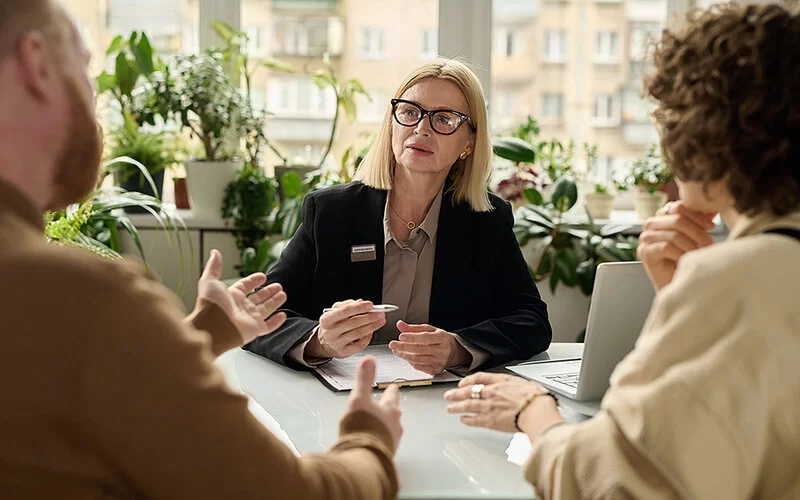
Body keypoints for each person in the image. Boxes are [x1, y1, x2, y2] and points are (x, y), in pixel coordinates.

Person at [0, 1, 403, 498]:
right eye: (85, 67)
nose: (96, 97)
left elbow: (59, 386)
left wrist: (199, 334)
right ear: (38, 67)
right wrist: (370, 441)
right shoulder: (90, 300)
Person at [443, 4, 800, 499]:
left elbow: (615, 482)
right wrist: (676, 294)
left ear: (701, 139)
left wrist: (533, 410)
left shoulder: (733, 281)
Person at [245, 59, 552, 375]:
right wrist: (319, 341)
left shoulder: (487, 221)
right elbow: (257, 314)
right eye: (409, 112)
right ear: (392, 123)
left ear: (469, 142)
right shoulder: (331, 213)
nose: (421, 128)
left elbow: (531, 321)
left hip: (442, 402)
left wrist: (458, 349)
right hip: (336, 403)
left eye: (444, 119)